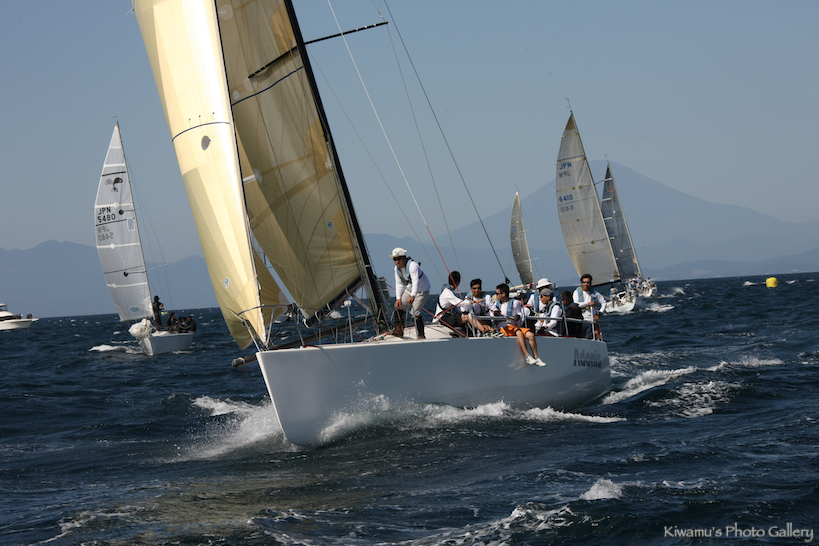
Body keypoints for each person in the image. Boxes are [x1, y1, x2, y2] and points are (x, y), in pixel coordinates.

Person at [492, 283, 545, 366]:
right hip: (503, 328)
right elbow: (492, 319)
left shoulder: (515, 303)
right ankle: (527, 356)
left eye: (497, 293)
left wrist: (518, 316)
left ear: (503, 294)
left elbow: (520, 314)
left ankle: (536, 357)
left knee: (531, 335)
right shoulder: (496, 305)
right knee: (519, 332)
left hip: (514, 327)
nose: (496, 295)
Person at [391, 247, 431, 339]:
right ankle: (399, 331)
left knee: (415, 312)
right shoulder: (396, 269)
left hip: (422, 290)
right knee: (399, 306)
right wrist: (398, 298)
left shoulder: (413, 266)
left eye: (399, 259)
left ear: (404, 258)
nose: (397, 261)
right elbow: (399, 284)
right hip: (410, 289)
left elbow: (416, 282)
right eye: (395, 259)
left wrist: (413, 296)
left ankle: (421, 335)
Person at [573, 274, 606, 339]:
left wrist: (599, 315)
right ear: (581, 283)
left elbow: (604, 302)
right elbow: (576, 304)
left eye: (588, 282)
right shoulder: (576, 292)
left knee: (590, 339)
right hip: (581, 321)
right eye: (584, 282)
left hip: (591, 321)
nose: (586, 284)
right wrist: (588, 303)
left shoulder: (594, 293)